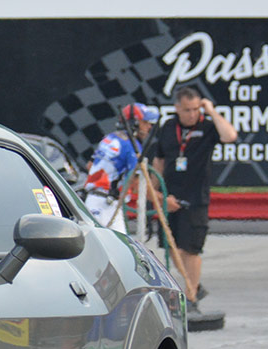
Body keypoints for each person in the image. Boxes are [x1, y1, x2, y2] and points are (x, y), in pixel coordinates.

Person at [149, 85, 238, 309]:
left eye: (196, 109)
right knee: (172, 248)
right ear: (177, 108)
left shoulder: (207, 127)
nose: (192, 114)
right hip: (170, 197)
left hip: (195, 198)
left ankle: (190, 297)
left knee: (191, 250)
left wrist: (212, 111)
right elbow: (158, 161)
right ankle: (195, 286)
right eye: (187, 110)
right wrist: (156, 194)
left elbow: (230, 136)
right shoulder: (168, 127)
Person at [83, 103, 160, 233]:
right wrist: (164, 202)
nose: (149, 126)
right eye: (145, 122)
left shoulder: (109, 138)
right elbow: (137, 183)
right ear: (134, 123)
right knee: (119, 249)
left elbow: (89, 165)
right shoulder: (131, 146)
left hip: (93, 200)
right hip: (107, 205)